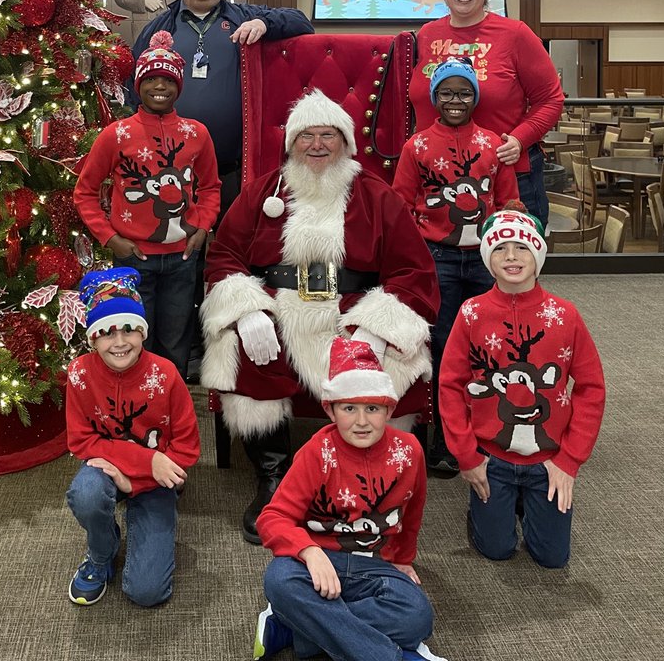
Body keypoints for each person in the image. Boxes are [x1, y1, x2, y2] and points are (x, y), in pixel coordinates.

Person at [201, 88, 439, 543]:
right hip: (277, 302)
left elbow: (414, 270)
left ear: (346, 142)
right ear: (290, 144)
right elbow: (225, 255)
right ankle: (273, 476)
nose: (316, 145)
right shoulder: (263, 191)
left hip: (352, 308)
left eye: (327, 135)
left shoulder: (376, 195)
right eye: (305, 136)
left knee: (395, 353)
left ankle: (364, 471)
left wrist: (375, 325)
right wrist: (247, 310)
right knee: (244, 346)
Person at [253, 336, 447, 661]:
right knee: (279, 580)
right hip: (315, 563)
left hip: (373, 565)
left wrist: (403, 558)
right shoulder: (316, 452)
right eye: (349, 408)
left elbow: (412, 512)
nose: (360, 421)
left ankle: (296, 627)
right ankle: (389, 656)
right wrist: (310, 551)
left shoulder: (409, 451)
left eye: (372, 408)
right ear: (331, 410)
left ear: (389, 409)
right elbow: (271, 519)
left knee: (417, 615)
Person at [439, 209, 606, 569]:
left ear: (539, 255)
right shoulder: (471, 313)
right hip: (491, 458)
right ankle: (493, 508)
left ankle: (525, 505)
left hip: (548, 461)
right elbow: (450, 386)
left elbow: (591, 388)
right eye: (500, 249)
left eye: (522, 248)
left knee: (551, 557)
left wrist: (569, 460)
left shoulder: (565, 315)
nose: (511, 257)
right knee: (496, 549)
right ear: (487, 257)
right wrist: (467, 457)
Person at [393, 56, 519, 474]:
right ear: (434, 98)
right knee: (444, 347)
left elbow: (507, 205)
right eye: (446, 92)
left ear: (475, 98)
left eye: (464, 93)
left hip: (487, 263)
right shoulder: (418, 146)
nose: (455, 100)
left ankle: (490, 432)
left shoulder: (494, 144)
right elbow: (401, 206)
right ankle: (445, 441)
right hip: (438, 260)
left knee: (489, 347)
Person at [73, 32, 220, 378]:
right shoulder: (115, 135)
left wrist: (203, 227)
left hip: (183, 258)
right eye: (151, 79)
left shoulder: (196, 133)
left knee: (175, 338)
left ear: (178, 86)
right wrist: (111, 239)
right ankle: (138, 407)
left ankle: (171, 401)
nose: (159, 87)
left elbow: (211, 186)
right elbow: (85, 192)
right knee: (134, 337)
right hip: (131, 257)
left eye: (167, 80)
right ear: (138, 85)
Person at [129, 0, 314, 213]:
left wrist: (265, 24)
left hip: (232, 168)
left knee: (227, 245)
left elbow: (302, 22)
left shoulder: (244, 17)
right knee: (180, 247)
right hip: (170, 169)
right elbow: (134, 83)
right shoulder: (160, 26)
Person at [64, 267, 201, 607]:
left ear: (142, 332)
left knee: (146, 593)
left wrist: (133, 482)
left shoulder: (165, 374)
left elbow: (187, 448)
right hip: (117, 468)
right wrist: (147, 459)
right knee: (86, 493)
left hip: (156, 482)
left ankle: (146, 517)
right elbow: (81, 442)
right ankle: (101, 552)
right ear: (93, 338)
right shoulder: (80, 374)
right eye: (107, 333)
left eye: (129, 329)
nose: (120, 342)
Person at [408, 0, 564, 227]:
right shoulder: (427, 35)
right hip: (437, 178)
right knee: (438, 266)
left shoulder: (516, 34)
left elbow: (551, 99)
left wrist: (519, 139)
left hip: (508, 175)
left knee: (511, 266)